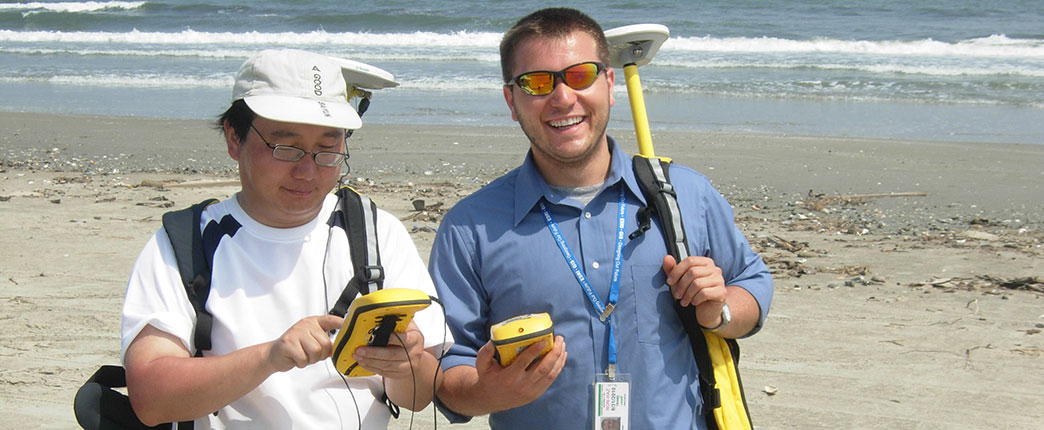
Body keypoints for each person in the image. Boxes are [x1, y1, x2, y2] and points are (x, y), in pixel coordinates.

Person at [428, 8, 773, 429]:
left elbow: (752, 286)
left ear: (609, 84)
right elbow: (447, 367)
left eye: (580, 75)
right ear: (511, 101)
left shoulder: (684, 194)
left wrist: (717, 311)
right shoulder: (470, 228)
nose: (561, 98)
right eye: (537, 82)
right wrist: (490, 392)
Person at [120, 49, 449, 428]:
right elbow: (151, 398)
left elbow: (417, 398)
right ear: (233, 138)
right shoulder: (185, 242)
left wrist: (404, 363)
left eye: (327, 149)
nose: (307, 171)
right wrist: (269, 357)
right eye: (285, 147)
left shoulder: (377, 232)